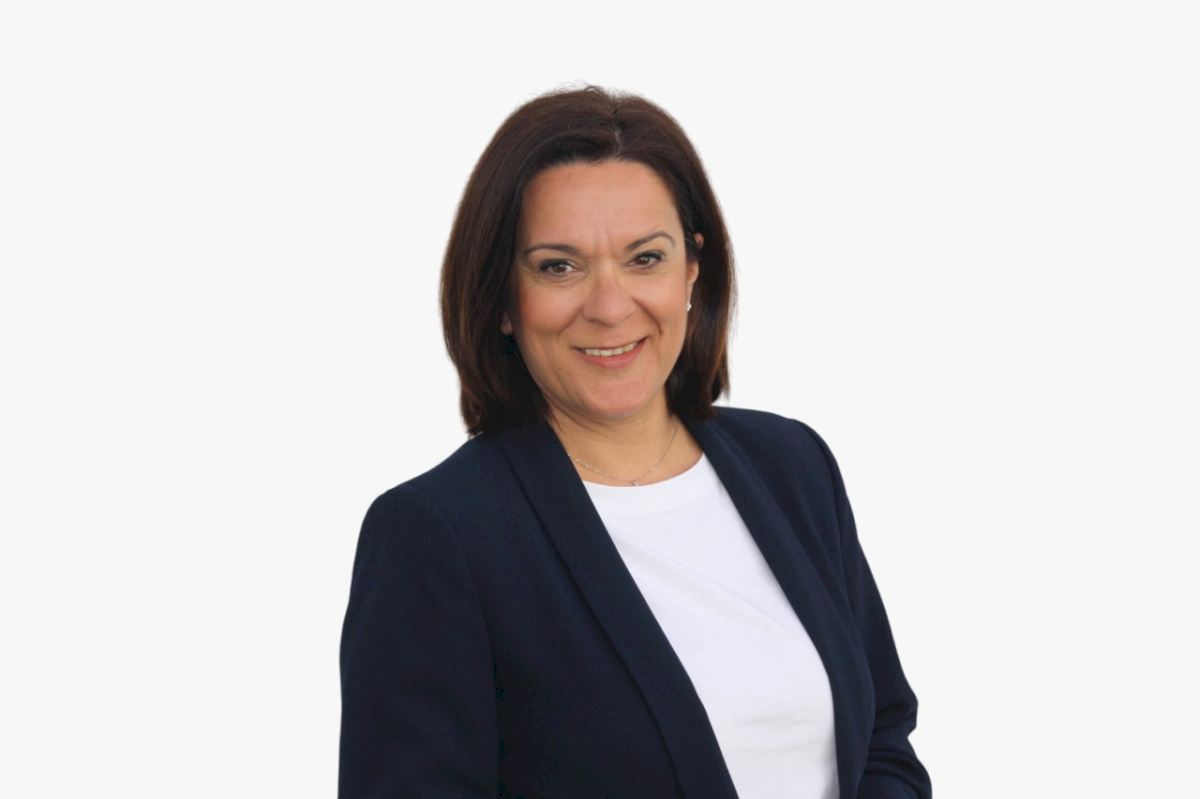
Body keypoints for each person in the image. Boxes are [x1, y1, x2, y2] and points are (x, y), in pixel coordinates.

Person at [338, 84, 931, 799]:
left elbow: (882, 736)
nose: (610, 306)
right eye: (559, 266)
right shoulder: (437, 535)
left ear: (693, 268)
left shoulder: (792, 466)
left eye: (645, 258)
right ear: (502, 298)